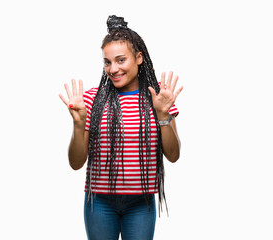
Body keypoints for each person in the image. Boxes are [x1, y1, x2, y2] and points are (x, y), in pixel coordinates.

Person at [59, 15, 183, 240]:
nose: (113, 69)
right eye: (107, 62)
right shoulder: (91, 100)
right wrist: (78, 125)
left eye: (120, 60)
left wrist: (163, 114)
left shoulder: (158, 98)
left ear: (139, 57)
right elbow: (76, 163)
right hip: (99, 202)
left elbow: (173, 156)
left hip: (141, 203)